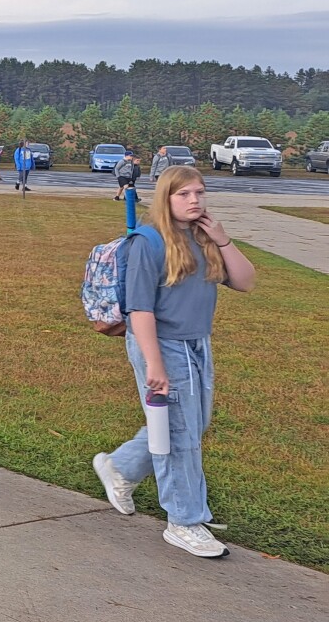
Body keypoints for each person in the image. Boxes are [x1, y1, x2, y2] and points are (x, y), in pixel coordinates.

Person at [92, 166, 256, 558]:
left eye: (199, 192)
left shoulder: (201, 238)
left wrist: (223, 239)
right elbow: (139, 311)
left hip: (196, 343)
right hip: (161, 345)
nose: (194, 200)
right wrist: (155, 364)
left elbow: (246, 281)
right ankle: (183, 521)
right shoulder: (146, 243)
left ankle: (121, 467)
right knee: (180, 436)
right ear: (165, 198)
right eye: (183, 194)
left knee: (189, 426)